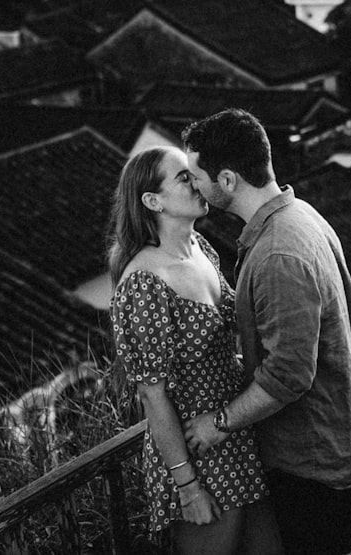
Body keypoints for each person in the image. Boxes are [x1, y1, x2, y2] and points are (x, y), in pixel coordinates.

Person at [180, 109, 351, 555]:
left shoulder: (278, 252)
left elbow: (289, 374)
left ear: (229, 180)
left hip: (314, 459)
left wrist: (218, 424)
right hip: (328, 448)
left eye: (197, 176)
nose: (193, 185)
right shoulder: (299, 215)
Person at [107, 146, 280, 554]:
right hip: (198, 456)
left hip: (233, 433)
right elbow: (152, 393)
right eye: (183, 177)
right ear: (153, 201)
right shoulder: (145, 282)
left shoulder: (200, 248)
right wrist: (187, 487)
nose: (197, 180)